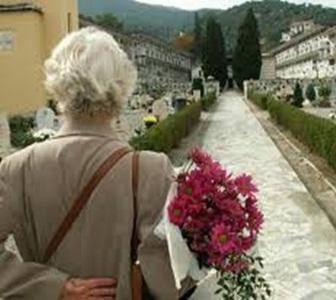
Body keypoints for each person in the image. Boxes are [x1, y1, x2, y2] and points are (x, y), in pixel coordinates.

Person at [0, 27, 193, 299]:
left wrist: (54, 287)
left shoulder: (15, 168)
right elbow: (168, 279)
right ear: (123, 85)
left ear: (57, 83)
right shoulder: (150, 169)